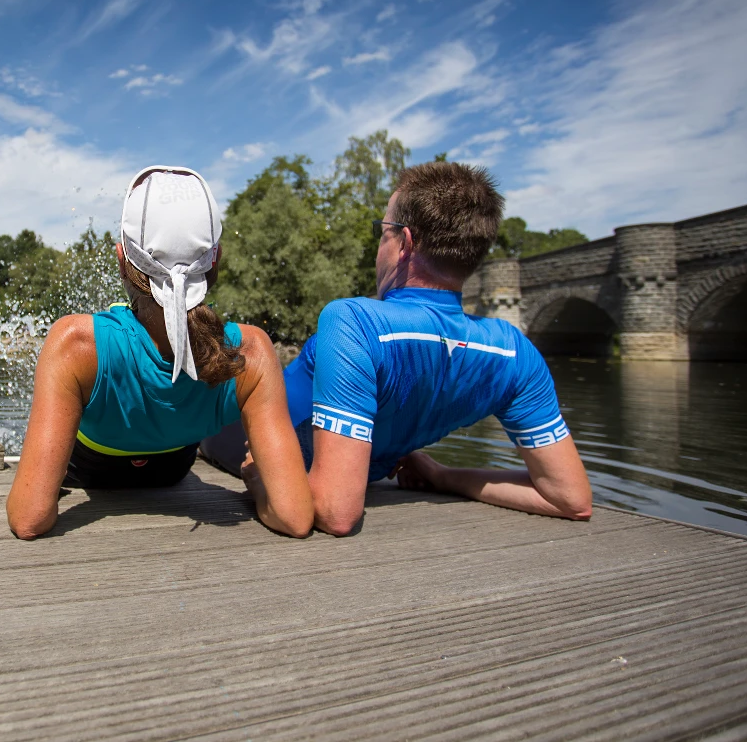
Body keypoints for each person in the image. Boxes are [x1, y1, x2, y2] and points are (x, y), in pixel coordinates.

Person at [201, 161, 592, 536]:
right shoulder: (514, 352)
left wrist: (259, 480)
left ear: (404, 242)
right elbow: (570, 499)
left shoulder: (356, 322)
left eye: (382, 230)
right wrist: (444, 477)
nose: (379, 245)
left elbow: (336, 513)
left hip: (235, 442)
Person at [6, 166, 314, 540]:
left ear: (121, 259)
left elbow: (29, 519)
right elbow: (294, 518)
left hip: (87, 474)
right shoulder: (250, 351)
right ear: (216, 259)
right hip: (173, 472)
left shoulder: (77, 344)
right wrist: (257, 480)